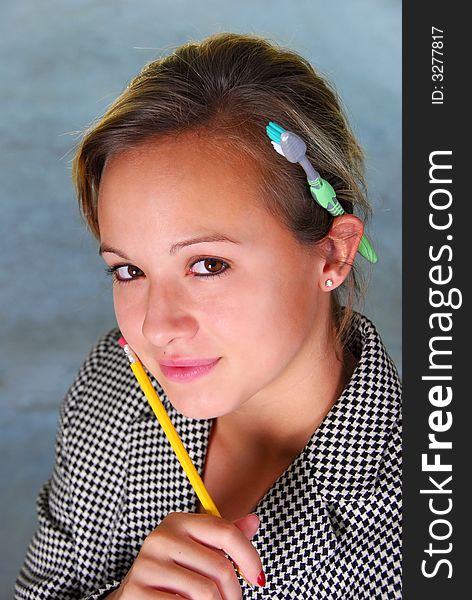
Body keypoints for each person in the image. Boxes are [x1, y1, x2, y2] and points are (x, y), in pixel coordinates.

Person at [15, 33, 401, 599]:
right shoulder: (116, 386)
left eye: (209, 264)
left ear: (334, 254)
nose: (156, 327)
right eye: (128, 271)